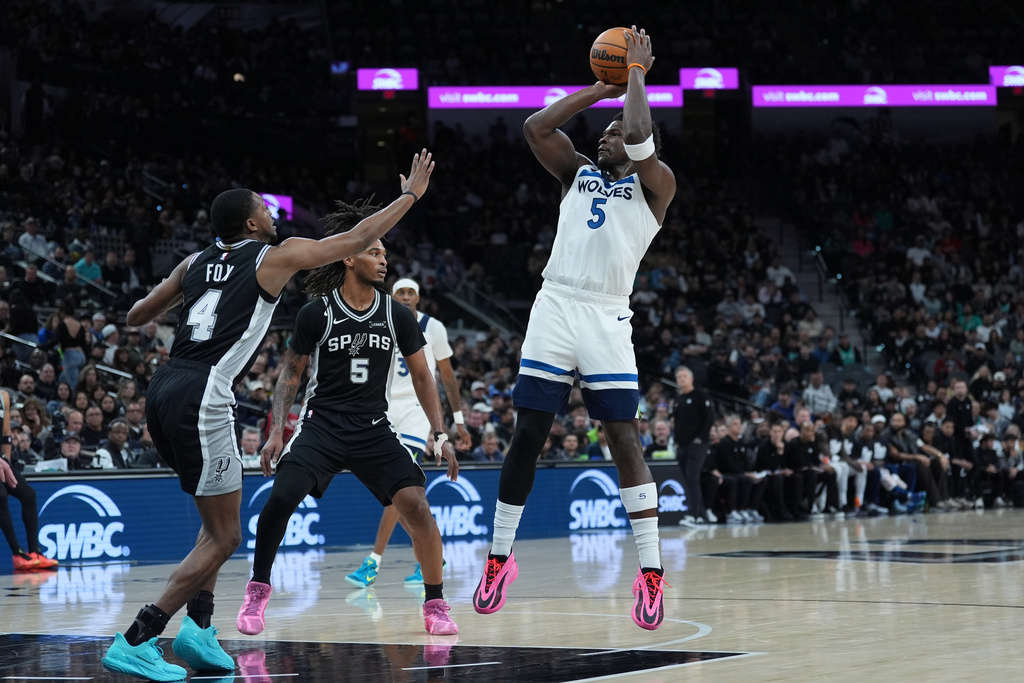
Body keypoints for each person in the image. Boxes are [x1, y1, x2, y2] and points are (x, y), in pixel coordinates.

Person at [101, 150, 435, 682]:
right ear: (253, 222)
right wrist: (411, 195)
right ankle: (138, 637)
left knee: (213, 527)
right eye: (266, 208)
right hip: (206, 394)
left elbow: (137, 314)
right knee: (227, 537)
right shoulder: (271, 256)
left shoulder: (192, 264)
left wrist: (197, 295)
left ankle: (200, 632)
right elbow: (351, 242)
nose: (273, 214)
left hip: (164, 388)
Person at [473, 26, 676, 631]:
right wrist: (599, 87)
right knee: (528, 432)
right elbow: (536, 128)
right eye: (604, 131)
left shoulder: (656, 187)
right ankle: (498, 558)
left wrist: (634, 75)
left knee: (623, 440)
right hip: (556, 303)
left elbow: (639, 133)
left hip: (608, 313)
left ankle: (650, 572)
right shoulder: (577, 174)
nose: (607, 134)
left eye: (615, 130)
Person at [237, 207, 458, 640]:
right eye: (374, 252)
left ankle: (435, 602)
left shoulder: (398, 314)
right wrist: (277, 431)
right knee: (280, 498)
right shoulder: (315, 313)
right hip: (322, 424)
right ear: (349, 256)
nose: (383, 260)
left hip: (374, 425)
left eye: (385, 254)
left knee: (416, 505)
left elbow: (422, 376)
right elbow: (290, 374)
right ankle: (258, 589)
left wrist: (441, 432)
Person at [345, 277, 471, 588]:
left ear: (418, 298)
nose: (404, 296)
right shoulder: (377, 319)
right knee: (396, 493)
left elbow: (447, 376)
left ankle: (373, 562)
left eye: (410, 292)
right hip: (383, 408)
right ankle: (432, 557)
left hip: (416, 412)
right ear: (392, 295)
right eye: (399, 291)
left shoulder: (435, 327)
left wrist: (457, 420)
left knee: (396, 485)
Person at [0, 389, 59, 571]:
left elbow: (6, 434)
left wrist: (6, 460)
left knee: (28, 495)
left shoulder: (3, 396)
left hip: (1, 461)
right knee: (1, 496)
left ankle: (35, 552)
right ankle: (17, 553)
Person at [673, 365, 714, 529]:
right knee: (688, 480)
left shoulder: (700, 395)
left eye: (684, 376)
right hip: (681, 445)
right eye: (679, 377)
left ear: (691, 379)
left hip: (697, 445)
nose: (681, 379)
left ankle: (694, 514)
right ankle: (701, 515)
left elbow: (709, 418)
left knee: (691, 478)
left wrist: (701, 438)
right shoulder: (678, 399)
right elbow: (676, 422)